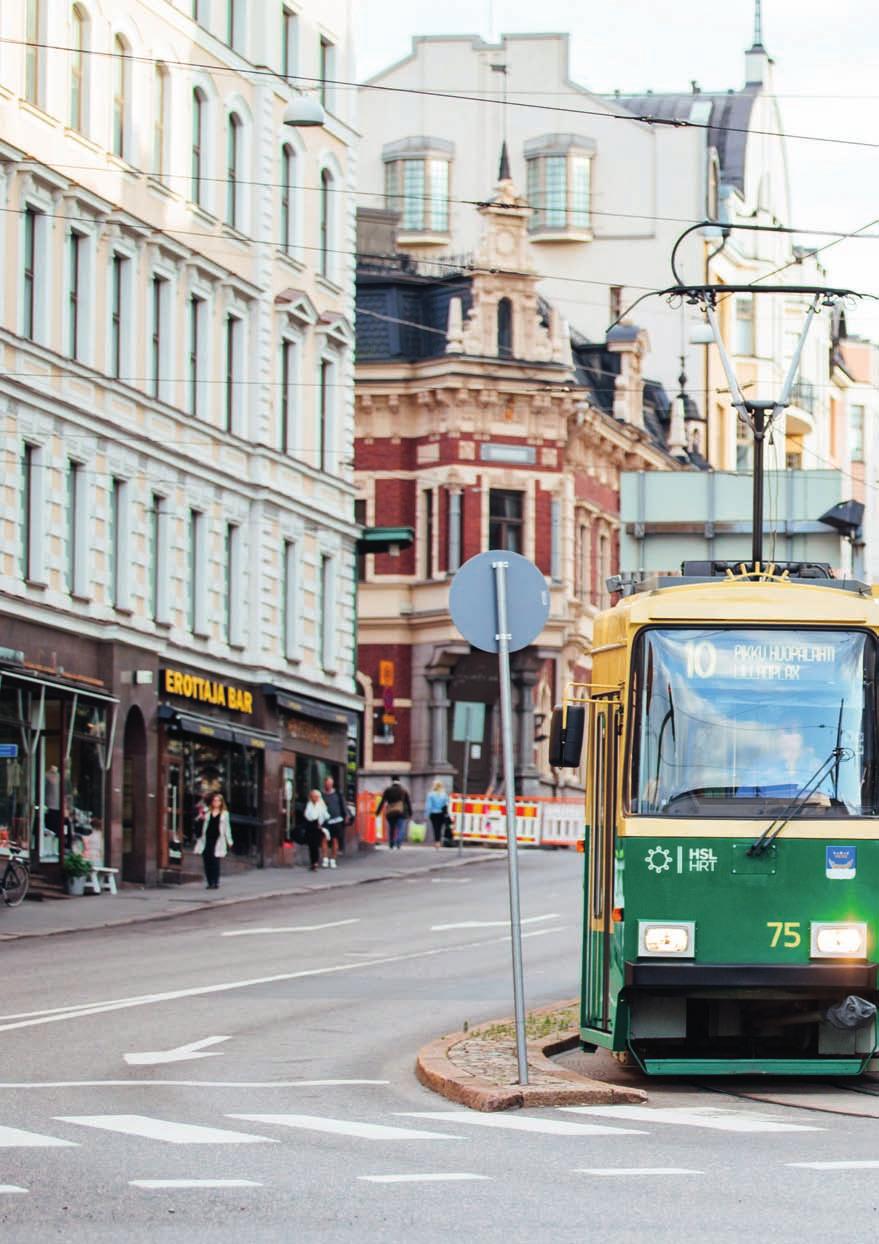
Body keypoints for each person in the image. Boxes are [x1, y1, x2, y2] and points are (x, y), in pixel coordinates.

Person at [193, 792, 233, 889]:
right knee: (207, 860)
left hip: (218, 840)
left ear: (221, 802)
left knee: (215, 861)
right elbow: (197, 820)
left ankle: (215, 882)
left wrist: (230, 840)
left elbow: (227, 828)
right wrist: (200, 817)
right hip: (207, 839)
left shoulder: (224, 814)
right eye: (214, 800)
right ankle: (209, 882)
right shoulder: (207, 812)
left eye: (218, 801)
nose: (216, 802)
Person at [375, 776, 412, 849]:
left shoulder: (388, 790)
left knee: (391, 828)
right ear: (399, 781)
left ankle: (391, 843)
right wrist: (410, 812)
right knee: (401, 828)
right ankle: (398, 841)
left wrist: (378, 811)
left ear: (392, 781)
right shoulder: (403, 790)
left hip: (390, 812)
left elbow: (382, 801)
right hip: (401, 812)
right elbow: (408, 802)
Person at [322, 776, 349, 869]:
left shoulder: (338, 793)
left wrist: (346, 815)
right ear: (324, 783)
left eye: (330, 784)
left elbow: (343, 805)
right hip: (325, 820)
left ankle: (333, 860)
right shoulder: (321, 794)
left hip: (337, 819)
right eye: (327, 784)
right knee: (324, 839)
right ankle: (325, 859)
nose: (328, 785)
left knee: (335, 839)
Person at [303, 788, 330, 872]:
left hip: (318, 826)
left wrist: (321, 823)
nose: (314, 798)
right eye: (313, 796)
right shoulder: (309, 804)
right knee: (311, 845)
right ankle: (312, 862)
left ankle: (315, 862)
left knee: (316, 844)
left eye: (316, 796)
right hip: (310, 826)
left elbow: (326, 815)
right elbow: (307, 814)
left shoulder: (321, 805)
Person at [425, 779, 450, 850]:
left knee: (435, 828)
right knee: (440, 828)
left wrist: (427, 814)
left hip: (433, 813)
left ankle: (437, 842)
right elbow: (447, 803)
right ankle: (439, 841)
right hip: (441, 814)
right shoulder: (444, 794)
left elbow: (428, 806)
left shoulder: (430, 794)